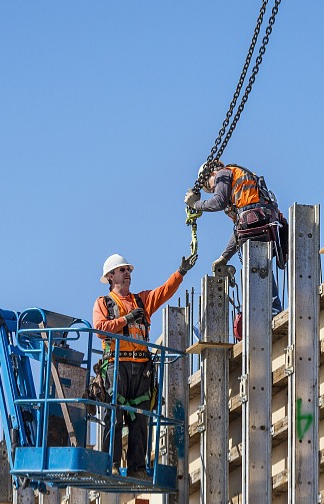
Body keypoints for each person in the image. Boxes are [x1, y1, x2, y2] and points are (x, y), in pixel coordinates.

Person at [92, 252, 195, 477]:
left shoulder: (142, 301)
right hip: (116, 366)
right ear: (110, 276)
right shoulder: (104, 303)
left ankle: (137, 468)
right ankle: (111, 463)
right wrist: (126, 320)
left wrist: (181, 272)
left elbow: (164, 291)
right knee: (114, 415)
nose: (127, 273)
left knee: (140, 418)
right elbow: (100, 329)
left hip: (141, 368)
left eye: (128, 270)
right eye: (122, 270)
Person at [184, 159, 285, 313]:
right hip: (260, 223)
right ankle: (271, 309)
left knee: (257, 269)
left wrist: (195, 205)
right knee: (260, 268)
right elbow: (239, 229)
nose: (213, 190)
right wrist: (224, 257)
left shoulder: (223, 174)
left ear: (211, 173)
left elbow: (218, 202)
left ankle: (270, 311)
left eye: (210, 187)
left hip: (256, 223)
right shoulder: (239, 192)